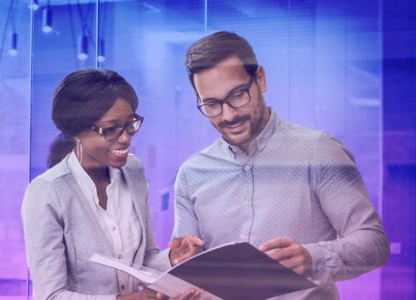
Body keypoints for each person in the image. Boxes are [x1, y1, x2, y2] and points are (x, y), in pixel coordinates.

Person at [172, 31, 390, 299]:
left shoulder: (318, 151)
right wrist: (179, 272)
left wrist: (313, 258)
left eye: (238, 95)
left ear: (260, 79)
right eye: (212, 104)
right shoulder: (192, 173)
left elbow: (373, 242)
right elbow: (187, 263)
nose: (228, 115)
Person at [21, 69, 204, 300]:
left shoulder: (133, 171)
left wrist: (172, 258)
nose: (126, 137)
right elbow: (51, 296)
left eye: (130, 124)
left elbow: (144, 261)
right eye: (110, 129)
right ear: (76, 130)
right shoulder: (46, 193)